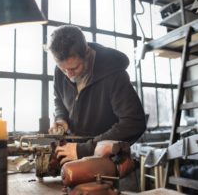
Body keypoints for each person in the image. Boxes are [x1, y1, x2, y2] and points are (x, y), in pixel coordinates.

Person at [47, 25, 146, 165]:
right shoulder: (61, 70)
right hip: (71, 155)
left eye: (74, 68)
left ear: (87, 53)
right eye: (63, 70)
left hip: (108, 162)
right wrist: (61, 118)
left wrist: (84, 150)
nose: (68, 75)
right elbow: (59, 99)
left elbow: (133, 122)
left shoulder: (114, 75)